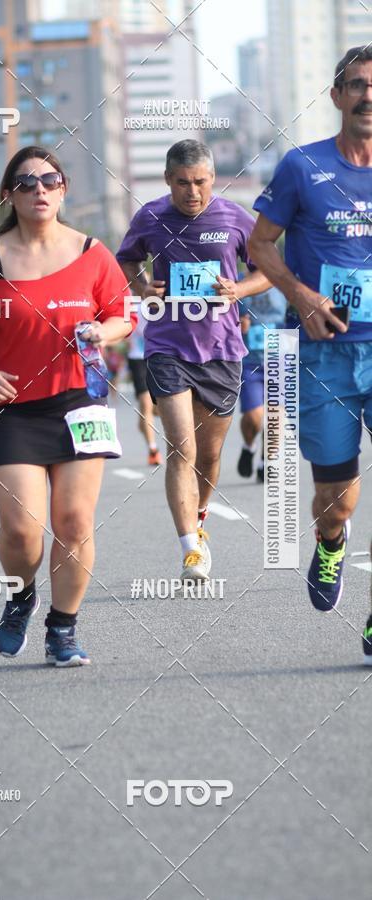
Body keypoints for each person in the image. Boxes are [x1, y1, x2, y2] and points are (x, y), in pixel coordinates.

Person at [0, 146, 132, 667]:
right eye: (27, 183)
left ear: (64, 188)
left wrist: (102, 331)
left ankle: (63, 628)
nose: (40, 190)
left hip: (79, 401)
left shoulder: (92, 251)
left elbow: (122, 316)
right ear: (9, 195)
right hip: (14, 409)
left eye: (50, 180)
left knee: (73, 522)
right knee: (23, 529)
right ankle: (21, 595)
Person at [248, 46, 372, 662]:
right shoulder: (302, 167)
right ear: (337, 96)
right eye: (356, 86)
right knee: (337, 498)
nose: (367, 96)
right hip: (326, 354)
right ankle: (330, 539)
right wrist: (300, 297)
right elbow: (260, 245)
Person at [116, 139, 270, 582]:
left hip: (222, 350)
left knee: (209, 453)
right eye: (182, 183)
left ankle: (199, 523)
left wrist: (240, 290)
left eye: (201, 182)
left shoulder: (234, 217)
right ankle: (189, 548)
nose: (193, 192)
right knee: (181, 448)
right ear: (168, 180)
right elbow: (125, 260)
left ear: (213, 179)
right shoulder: (150, 217)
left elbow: (268, 269)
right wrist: (143, 289)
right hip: (167, 347)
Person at [237, 284, 286, 482]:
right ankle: (249, 446)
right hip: (249, 362)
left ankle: (266, 462)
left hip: (279, 360)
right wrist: (237, 324)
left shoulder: (284, 282)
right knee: (254, 417)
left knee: (276, 416)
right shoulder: (239, 283)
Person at [127, 302, 162, 465]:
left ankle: (145, 420)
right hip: (137, 358)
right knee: (146, 404)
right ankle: (153, 449)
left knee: (158, 409)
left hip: (158, 356)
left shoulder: (160, 297)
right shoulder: (130, 300)